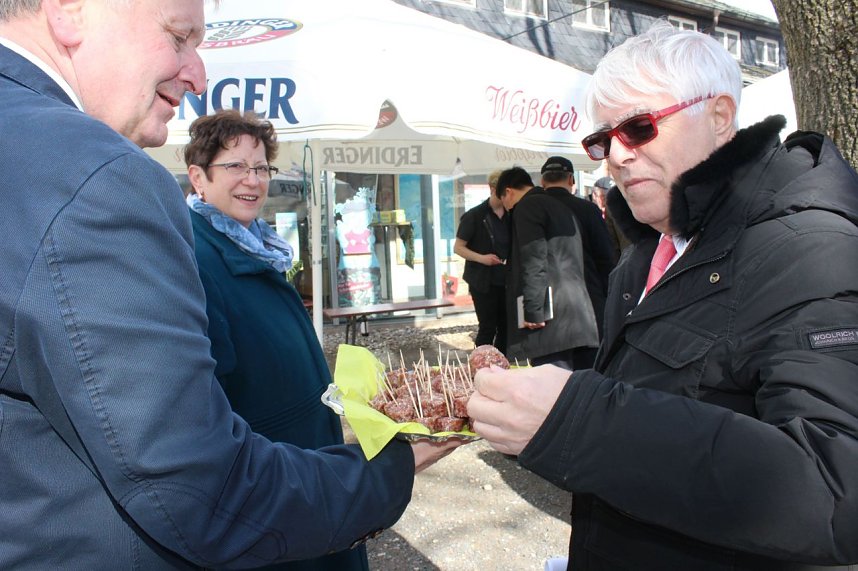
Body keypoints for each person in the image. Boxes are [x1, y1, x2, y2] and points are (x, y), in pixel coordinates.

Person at [0, 1, 461, 569]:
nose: (198, 75)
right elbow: (199, 488)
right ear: (69, 11)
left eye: (262, 167)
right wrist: (396, 462)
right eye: (178, 36)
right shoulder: (98, 177)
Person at [469, 22, 858, 570]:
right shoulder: (649, 254)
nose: (617, 157)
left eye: (640, 127)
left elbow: (837, 488)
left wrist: (578, 421)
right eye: (603, 140)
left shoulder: (810, 247)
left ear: (720, 117)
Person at [184, 109, 377, 571]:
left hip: (306, 465)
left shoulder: (254, 244)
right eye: (235, 166)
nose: (252, 180)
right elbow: (207, 401)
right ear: (199, 178)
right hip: (269, 488)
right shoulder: (197, 256)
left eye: (261, 167)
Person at [495, 167, 598, 370]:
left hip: (552, 320)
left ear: (508, 192)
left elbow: (534, 259)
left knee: (554, 390)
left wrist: (532, 311)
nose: (506, 208)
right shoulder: (556, 206)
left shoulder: (527, 208)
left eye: (503, 201)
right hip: (576, 310)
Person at [539, 156, 615, 339]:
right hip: (586, 294)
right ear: (571, 179)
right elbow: (605, 256)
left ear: (542, 181)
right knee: (589, 358)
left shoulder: (529, 212)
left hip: (544, 297)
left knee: (551, 360)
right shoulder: (588, 209)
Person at [454, 169, 510, 353]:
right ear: (493, 189)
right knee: (487, 327)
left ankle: (503, 367)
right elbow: (458, 247)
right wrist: (481, 259)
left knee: (507, 327)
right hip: (482, 280)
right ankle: (481, 367)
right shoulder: (475, 216)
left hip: (507, 280)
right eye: (504, 191)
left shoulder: (513, 214)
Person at [591, 175, 631, 262]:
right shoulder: (590, 213)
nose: (607, 200)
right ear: (594, 195)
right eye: (603, 196)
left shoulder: (618, 208)